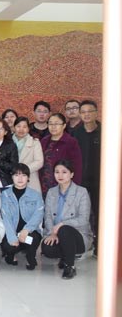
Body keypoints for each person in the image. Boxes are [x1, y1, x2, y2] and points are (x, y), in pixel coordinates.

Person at [42, 160, 92, 279]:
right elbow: (47, 216)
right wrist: (52, 233)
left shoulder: (81, 192)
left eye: (64, 172)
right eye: (57, 172)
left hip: (78, 236)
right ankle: (65, 256)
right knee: (47, 249)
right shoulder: (51, 192)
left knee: (64, 229)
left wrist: (62, 224)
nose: (60, 175)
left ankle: (70, 266)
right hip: (56, 234)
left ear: (72, 174)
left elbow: (83, 219)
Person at [0, 163, 43, 270]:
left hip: (29, 232)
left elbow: (38, 215)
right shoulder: (5, 195)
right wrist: (12, 237)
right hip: (12, 231)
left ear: (28, 178)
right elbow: (6, 218)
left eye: (23, 175)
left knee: (32, 239)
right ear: (12, 177)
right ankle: (11, 255)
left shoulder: (35, 195)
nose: (20, 178)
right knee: (8, 246)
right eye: (16, 175)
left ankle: (30, 256)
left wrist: (26, 230)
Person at [73, 100, 101, 256]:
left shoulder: (105, 131)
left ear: (96, 112)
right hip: (80, 180)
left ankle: (99, 245)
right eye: (83, 112)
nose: (86, 115)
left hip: (100, 181)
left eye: (90, 111)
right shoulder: (76, 133)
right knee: (79, 213)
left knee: (99, 213)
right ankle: (80, 245)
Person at [39, 113, 83, 196]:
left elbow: (77, 167)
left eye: (56, 124)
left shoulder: (71, 142)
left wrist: (74, 188)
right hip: (44, 185)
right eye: (50, 124)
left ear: (64, 126)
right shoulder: (44, 141)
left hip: (63, 186)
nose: (53, 127)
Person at [12, 117, 44, 193]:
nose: (21, 129)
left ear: (28, 129)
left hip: (30, 178)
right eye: (18, 126)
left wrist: (23, 171)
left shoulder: (34, 142)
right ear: (14, 128)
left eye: (24, 127)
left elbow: (39, 161)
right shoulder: (8, 142)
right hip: (11, 179)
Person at [0, 119, 18, 189]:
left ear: (5, 132)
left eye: (1, 129)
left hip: (5, 184)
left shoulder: (10, 146)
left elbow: (13, 167)